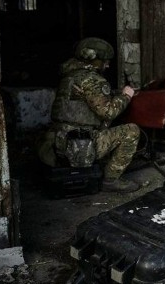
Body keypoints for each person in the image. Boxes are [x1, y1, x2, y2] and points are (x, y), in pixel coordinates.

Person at [38, 37, 141, 193]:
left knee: (101, 125)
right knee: (131, 130)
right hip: (77, 148)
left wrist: (113, 94)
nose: (107, 64)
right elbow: (109, 112)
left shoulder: (69, 76)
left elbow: (83, 102)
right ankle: (111, 180)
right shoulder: (92, 79)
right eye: (104, 60)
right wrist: (126, 95)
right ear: (93, 59)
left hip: (56, 146)